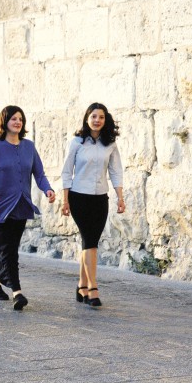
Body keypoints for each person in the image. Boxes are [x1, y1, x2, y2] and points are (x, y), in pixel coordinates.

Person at [0, 106, 55, 311]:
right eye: (13, 118)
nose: (17, 122)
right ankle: (17, 292)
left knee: (8, 249)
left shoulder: (29, 147)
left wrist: (47, 189)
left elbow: (39, 174)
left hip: (21, 206)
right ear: (4, 121)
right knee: (7, 251)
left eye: (20, 119)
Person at [61, 102, 125, 307]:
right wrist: (65, 200)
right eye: (93, 116)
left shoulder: (110, 144)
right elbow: (66, 172)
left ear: (105, 120)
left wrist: (120, 197)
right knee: (90, 241)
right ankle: (92, 287)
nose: (97, 120)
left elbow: (116, 171)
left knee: (90, 242)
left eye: (101, 117)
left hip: (100, 198)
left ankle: (81, 285)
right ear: (87, 119)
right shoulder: (77, 143)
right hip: (79, 198)